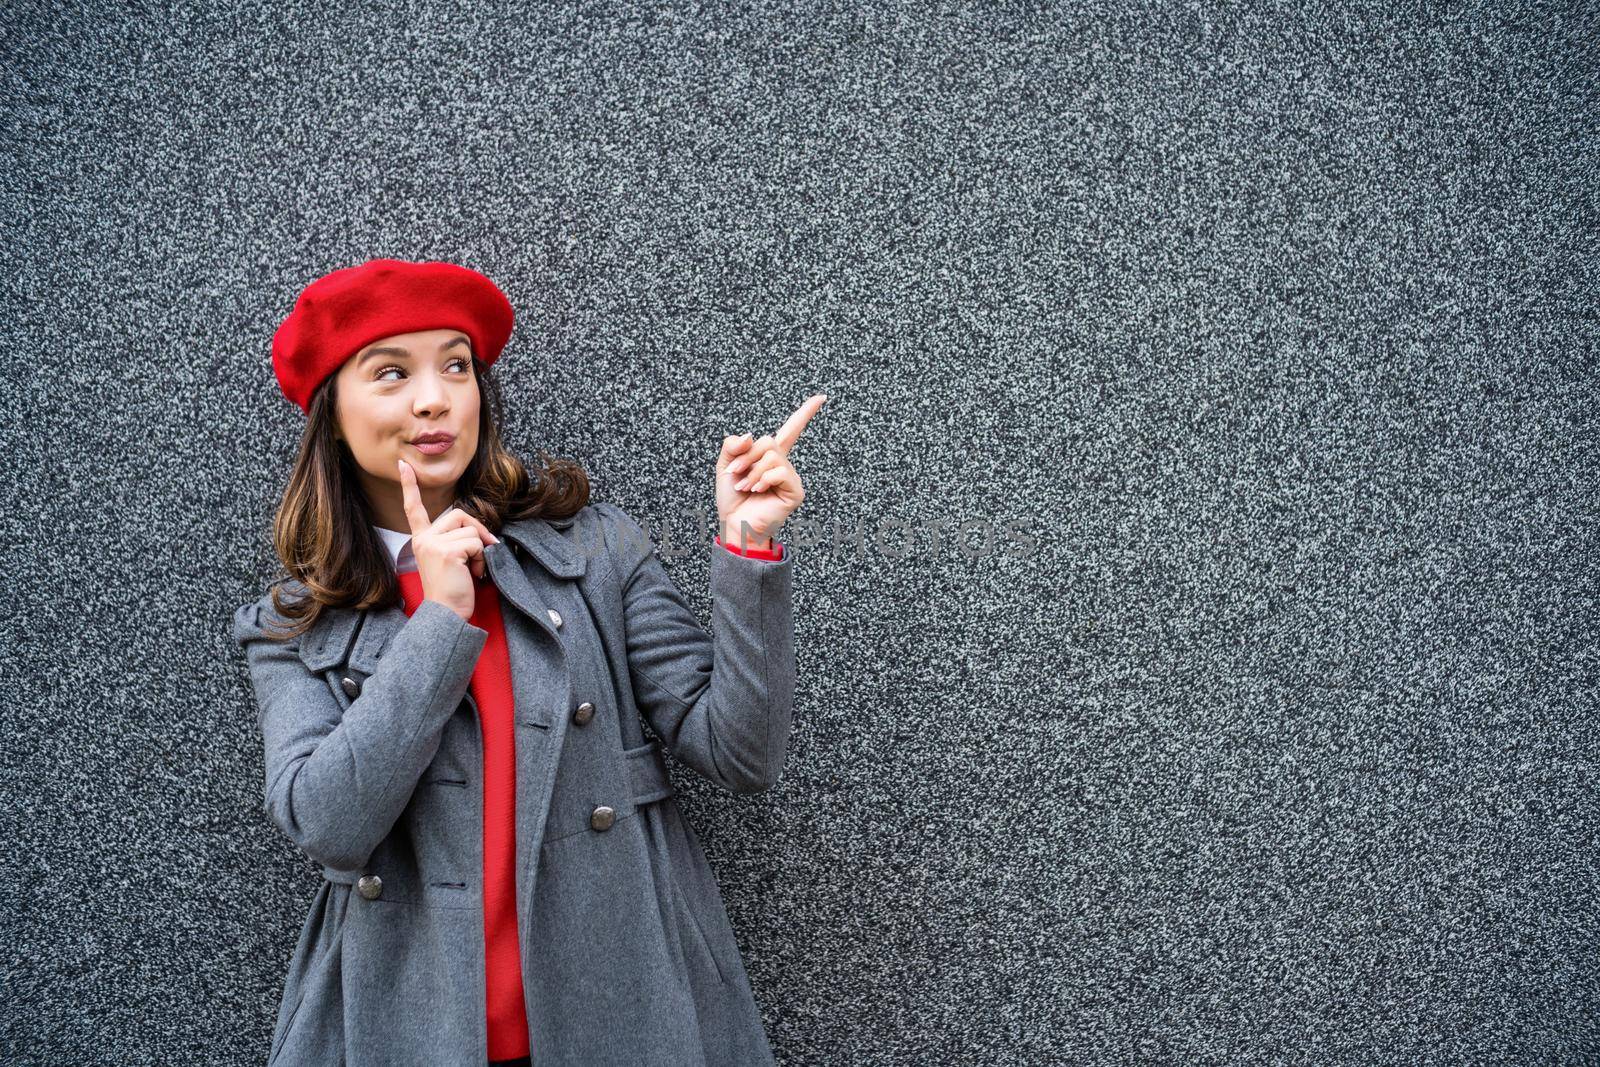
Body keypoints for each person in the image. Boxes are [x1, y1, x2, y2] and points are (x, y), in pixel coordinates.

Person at [231, 257, 826, 1065]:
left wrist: (748, 547)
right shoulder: (290, 627)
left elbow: (740, 751)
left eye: (455, 365)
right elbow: (330, 824)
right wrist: (438, 618)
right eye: (390, 372)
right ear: (332, 413)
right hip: (405, 1029)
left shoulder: (593, 549)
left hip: (625, 1011)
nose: (434, 396)